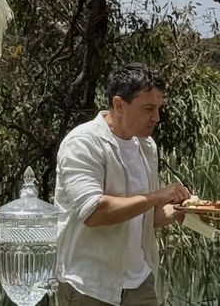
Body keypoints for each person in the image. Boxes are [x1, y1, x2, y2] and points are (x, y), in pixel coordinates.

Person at [53, 63, 190, 305]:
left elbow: (147, 217)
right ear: (119, 105)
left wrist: (183, 212)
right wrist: (157, 196)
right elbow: (94, 212)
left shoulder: (147, 147)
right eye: (148, 108)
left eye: (158, 108)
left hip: (140, 282)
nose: (156, 117)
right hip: (91, 286)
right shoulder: (82, 143)